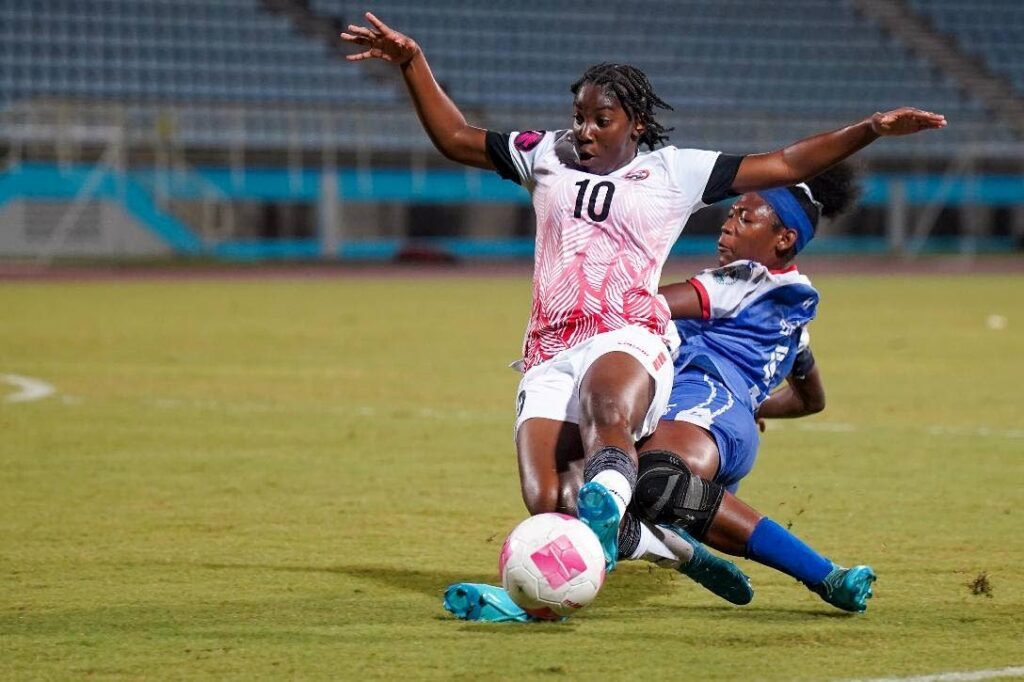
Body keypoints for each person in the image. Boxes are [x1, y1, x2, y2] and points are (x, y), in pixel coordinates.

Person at [342, 12, 944, 593]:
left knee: (610, 407)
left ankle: (604, 523)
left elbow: (786, 162)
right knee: (549, 501)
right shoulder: (541, 153)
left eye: (601, 119)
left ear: (634, 124)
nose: (584, 130)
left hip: (628, 333)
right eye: (579, 117)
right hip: (550, 348)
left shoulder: (676, 172)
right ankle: (661, 545)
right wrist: (413, 63)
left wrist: (869, 129)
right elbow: (455, 138)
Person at [444, 166, 872, 622]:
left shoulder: (745, 281)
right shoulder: (783, 312)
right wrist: (752, 408)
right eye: (731, 212)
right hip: (697, 416)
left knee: (650, 480)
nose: (729, 223)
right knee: (573, 493)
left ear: (784, 239)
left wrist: (576, 286)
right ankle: (552, 594)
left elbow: (647, 303)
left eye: (746, 218)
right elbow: (811, 400)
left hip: (705, 404)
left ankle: (827, 576)